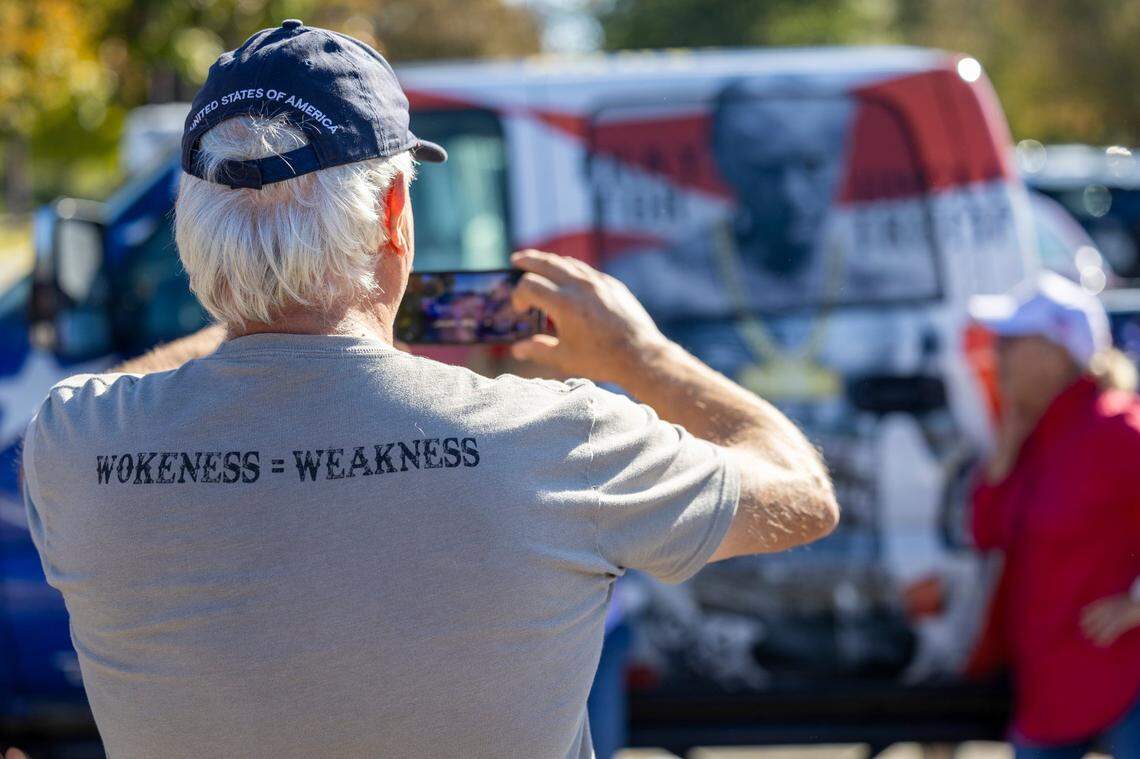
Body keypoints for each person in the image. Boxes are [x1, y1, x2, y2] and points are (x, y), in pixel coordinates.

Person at [20, 21, 838, 759]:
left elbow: (138, 394)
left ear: (190, 229)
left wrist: (252, 308)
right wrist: (640, 355)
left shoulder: (74, 448)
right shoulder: (560, 439)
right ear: (394, 216)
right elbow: (802, 494)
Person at [969, 271, 1140, 758]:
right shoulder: (1033, 434)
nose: (995, 355)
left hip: (1123, 685)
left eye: (1011, 343)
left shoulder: (1118, 429)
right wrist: (1005, 450)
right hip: (1050, 690)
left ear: (1057, 354)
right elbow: (985, 533)